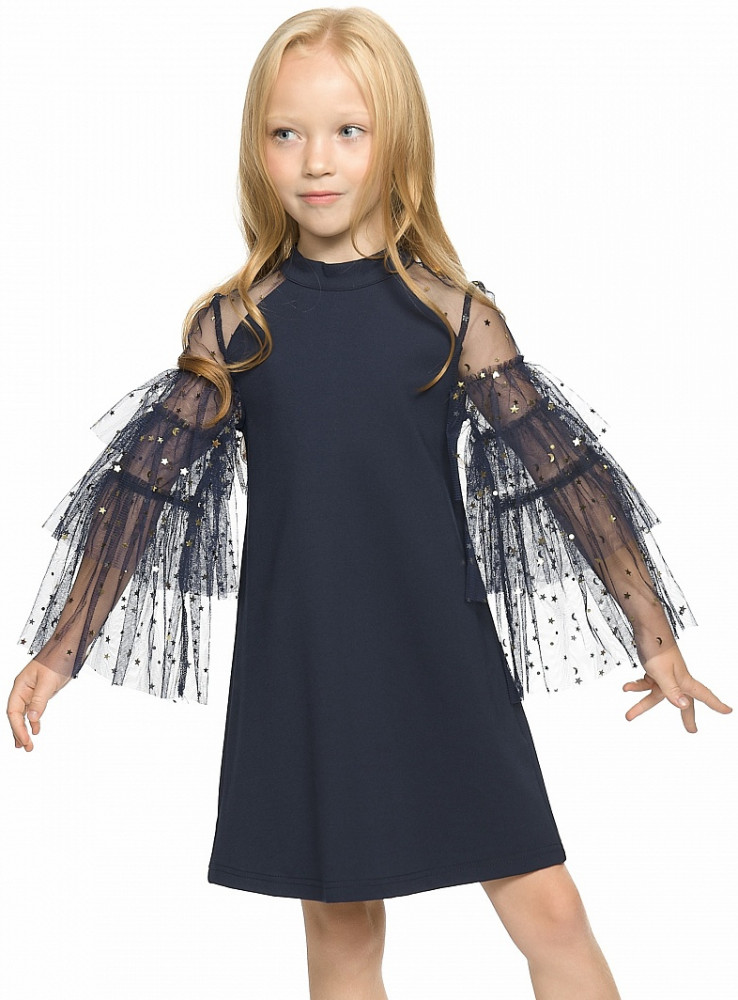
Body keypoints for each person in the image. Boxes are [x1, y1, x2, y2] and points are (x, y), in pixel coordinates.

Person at [6, 6, 732, 999]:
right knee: (343, 930)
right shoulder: (238, 325)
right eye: (286, 132)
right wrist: (61, 649)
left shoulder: (454, 316)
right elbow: (141, 490)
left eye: (349, 130)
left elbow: (568, 478)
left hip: (442, 650)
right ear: (256, 147)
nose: (317, 160)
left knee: (551, 911)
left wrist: (654, 633)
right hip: (306, 660)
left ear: (398, 142)